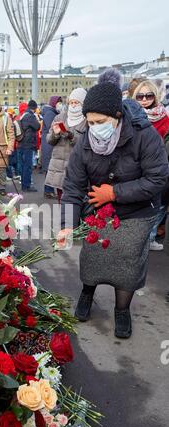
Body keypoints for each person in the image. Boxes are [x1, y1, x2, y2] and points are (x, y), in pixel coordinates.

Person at [57, 69, 169, 340]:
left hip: (136, 212)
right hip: (98, 212)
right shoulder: (85, 142)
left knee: (127, 266)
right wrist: (67, 226)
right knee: (93, 257)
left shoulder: (144, 135)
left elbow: (158, 178)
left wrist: (115, 193)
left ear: (117, 117)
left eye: (100, 121)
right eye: (90, 122)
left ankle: (122, 309)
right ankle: (87, 293)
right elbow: (72, 186)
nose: (94, 127)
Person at [133, 80, 169, 251]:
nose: (145, 99)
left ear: (155, 96)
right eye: (141, 96)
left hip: (156, 167)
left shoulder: (164, 119)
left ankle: (150, 237)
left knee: (157, 206)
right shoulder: (129, 116)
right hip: (134, 167)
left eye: (149, 95)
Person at [45, 88, 87, 204]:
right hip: (58, 167)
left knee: (76, 201)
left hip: (76, 166)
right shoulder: (60, 117)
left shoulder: (87, 120)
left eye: (77, 103)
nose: (73, 105)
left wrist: (71, 136)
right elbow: (49, 140)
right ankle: (64, 221)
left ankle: (73, 221)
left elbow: (87, 142)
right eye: (71, 102)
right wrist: (55, 134)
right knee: (61, 201)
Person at [41, 96, 63, 199]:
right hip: (49, 145)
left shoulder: (52, 112)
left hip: (49, 144)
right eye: (59, 102)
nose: (60, 104)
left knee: (50, 168)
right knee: (50, 168)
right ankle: (48, 191)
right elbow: (54, 127)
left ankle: (49, 190)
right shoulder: (50, 114)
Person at [17, 100, 41, 192]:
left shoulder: (24, 115)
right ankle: (26, 186)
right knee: (27, 166)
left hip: (21, 143)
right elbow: (37, 126)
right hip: (27, 144)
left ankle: (24, 185)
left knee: (23, 166)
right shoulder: (30, 116)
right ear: (34, 108)